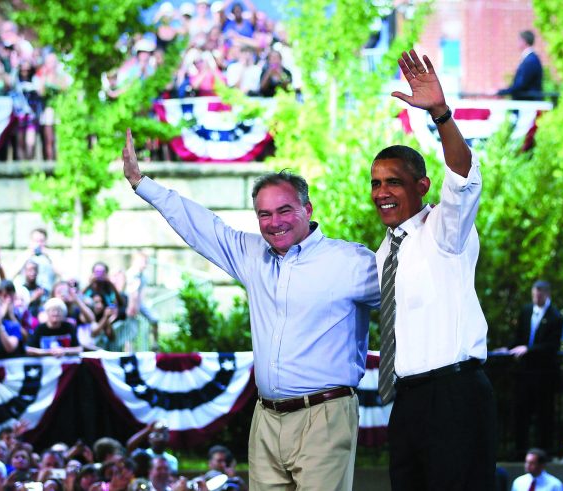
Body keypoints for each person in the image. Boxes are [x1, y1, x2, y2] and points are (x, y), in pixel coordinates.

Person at [122, 125, 381, 489]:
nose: (274, 222)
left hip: (325, 415)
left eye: (285, 210)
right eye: (264, 214)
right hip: (267, 417)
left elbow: (411, 298)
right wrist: (140, 182)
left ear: (307, 209)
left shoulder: (350, 262)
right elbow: (201, 226)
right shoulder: (250, 253)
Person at [371, 49, 495, 490]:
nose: (382, 192)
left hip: (455, 395)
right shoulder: (386, 250)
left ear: (421, 186)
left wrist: (441, 114)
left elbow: (464, 176)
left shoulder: (447, 228)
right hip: (408, 398)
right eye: (376, 183)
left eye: (394, 181)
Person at [499, 280, 563, 458]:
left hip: (544, 374)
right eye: (534, 293)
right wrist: (508, 348)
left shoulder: (555, 317)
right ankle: (520, 451)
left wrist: (529, 350)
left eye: (540, 293)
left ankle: (544, 452)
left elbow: (552, 346)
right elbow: (520, 336)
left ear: (547, 294)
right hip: (525, 373)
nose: (537, 296)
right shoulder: (527, 311)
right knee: (521, 411)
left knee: (544, 414)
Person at [497, 30, 544, 101]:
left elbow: (522, 84)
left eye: (519, 40)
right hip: (526, 103)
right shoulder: (529, 59)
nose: (517, 43)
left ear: (524, 41)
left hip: (528, 104)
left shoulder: (530, 60)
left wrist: (503, 92)